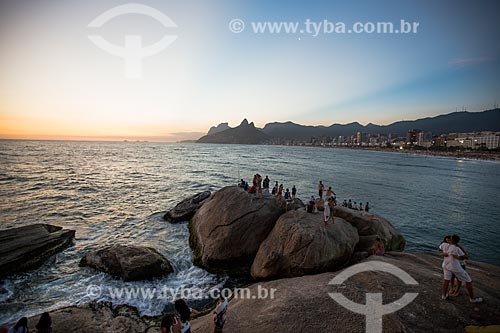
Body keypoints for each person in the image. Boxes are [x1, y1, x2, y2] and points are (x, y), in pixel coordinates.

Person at [439, 235, 482, 303]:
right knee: (468, 280)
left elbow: (440, 248)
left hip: (445, 265)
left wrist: (444, 253)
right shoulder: (456, 248)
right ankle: (472, 299)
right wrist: (457, 257)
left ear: (450, 240)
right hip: (454, 267)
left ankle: (444, 296)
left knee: (446, 280)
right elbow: (465, 257)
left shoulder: (444, 244)